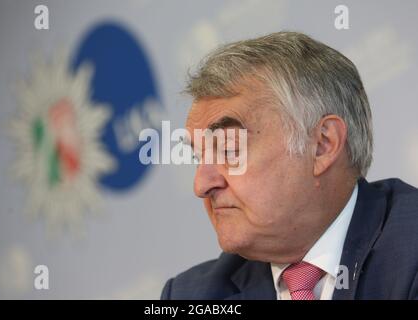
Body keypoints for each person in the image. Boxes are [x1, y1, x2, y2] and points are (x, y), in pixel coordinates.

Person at [160, 31, 418, 300]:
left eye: (229, 149)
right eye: (198, 157)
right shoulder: (191, 295)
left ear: (322, 145)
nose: (201, 185)